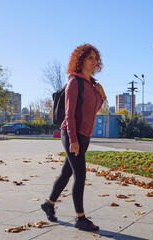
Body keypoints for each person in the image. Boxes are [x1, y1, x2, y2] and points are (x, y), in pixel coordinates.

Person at [41, 44, 106, 232]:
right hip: (72, 134)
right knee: (80, 174)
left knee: (66, 173)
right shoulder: (74, 82)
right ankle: (80, 218)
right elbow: (68, 114)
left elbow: (93, 110)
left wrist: (102, 95)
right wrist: (73, 140)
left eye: (96, 58)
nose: (94, 61)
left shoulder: (92, 84)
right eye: (90, 58)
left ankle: (49, 204)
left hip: (85, 134)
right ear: (80, 60)